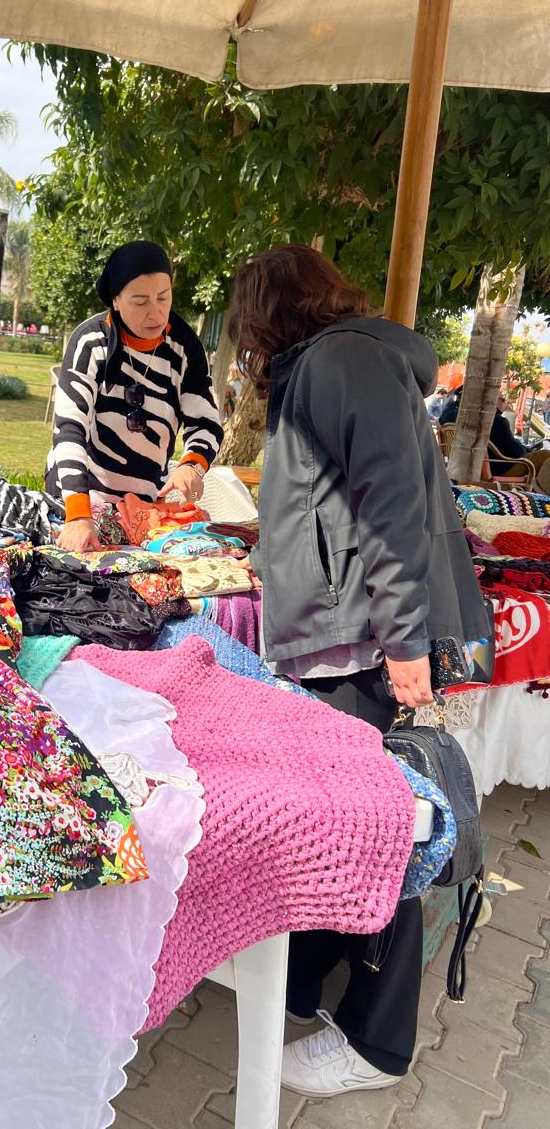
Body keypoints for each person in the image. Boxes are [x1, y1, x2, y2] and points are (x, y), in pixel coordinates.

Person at [227, 244, 491, 1098]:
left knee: (378, 829)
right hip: (342, 637)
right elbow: (329, 500)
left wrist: (405, 642)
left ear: (266, 313)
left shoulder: (344, 359)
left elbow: (390, 508)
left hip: (362, 644)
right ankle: (302, 976)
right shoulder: (330, 361)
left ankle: (377, 1041)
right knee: (342, 815)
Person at [46, 241, 223, 551]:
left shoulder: (185, 348)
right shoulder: (91, 342)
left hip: (143, 504)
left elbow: (206, 422)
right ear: (115, 300)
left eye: (163, 297)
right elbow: (70, 429)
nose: (156, 312)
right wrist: (78, 513)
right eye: (140, 301)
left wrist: (192, 465)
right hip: (79, 497)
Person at [439, 386, 550, 476]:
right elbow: (517, 453)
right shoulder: (495, 421)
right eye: (502, 400)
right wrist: (525, 449)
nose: (504, 403)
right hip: (495, 469)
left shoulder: (450, 415)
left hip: (463, 465)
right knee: (545, 455)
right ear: (490, 400)